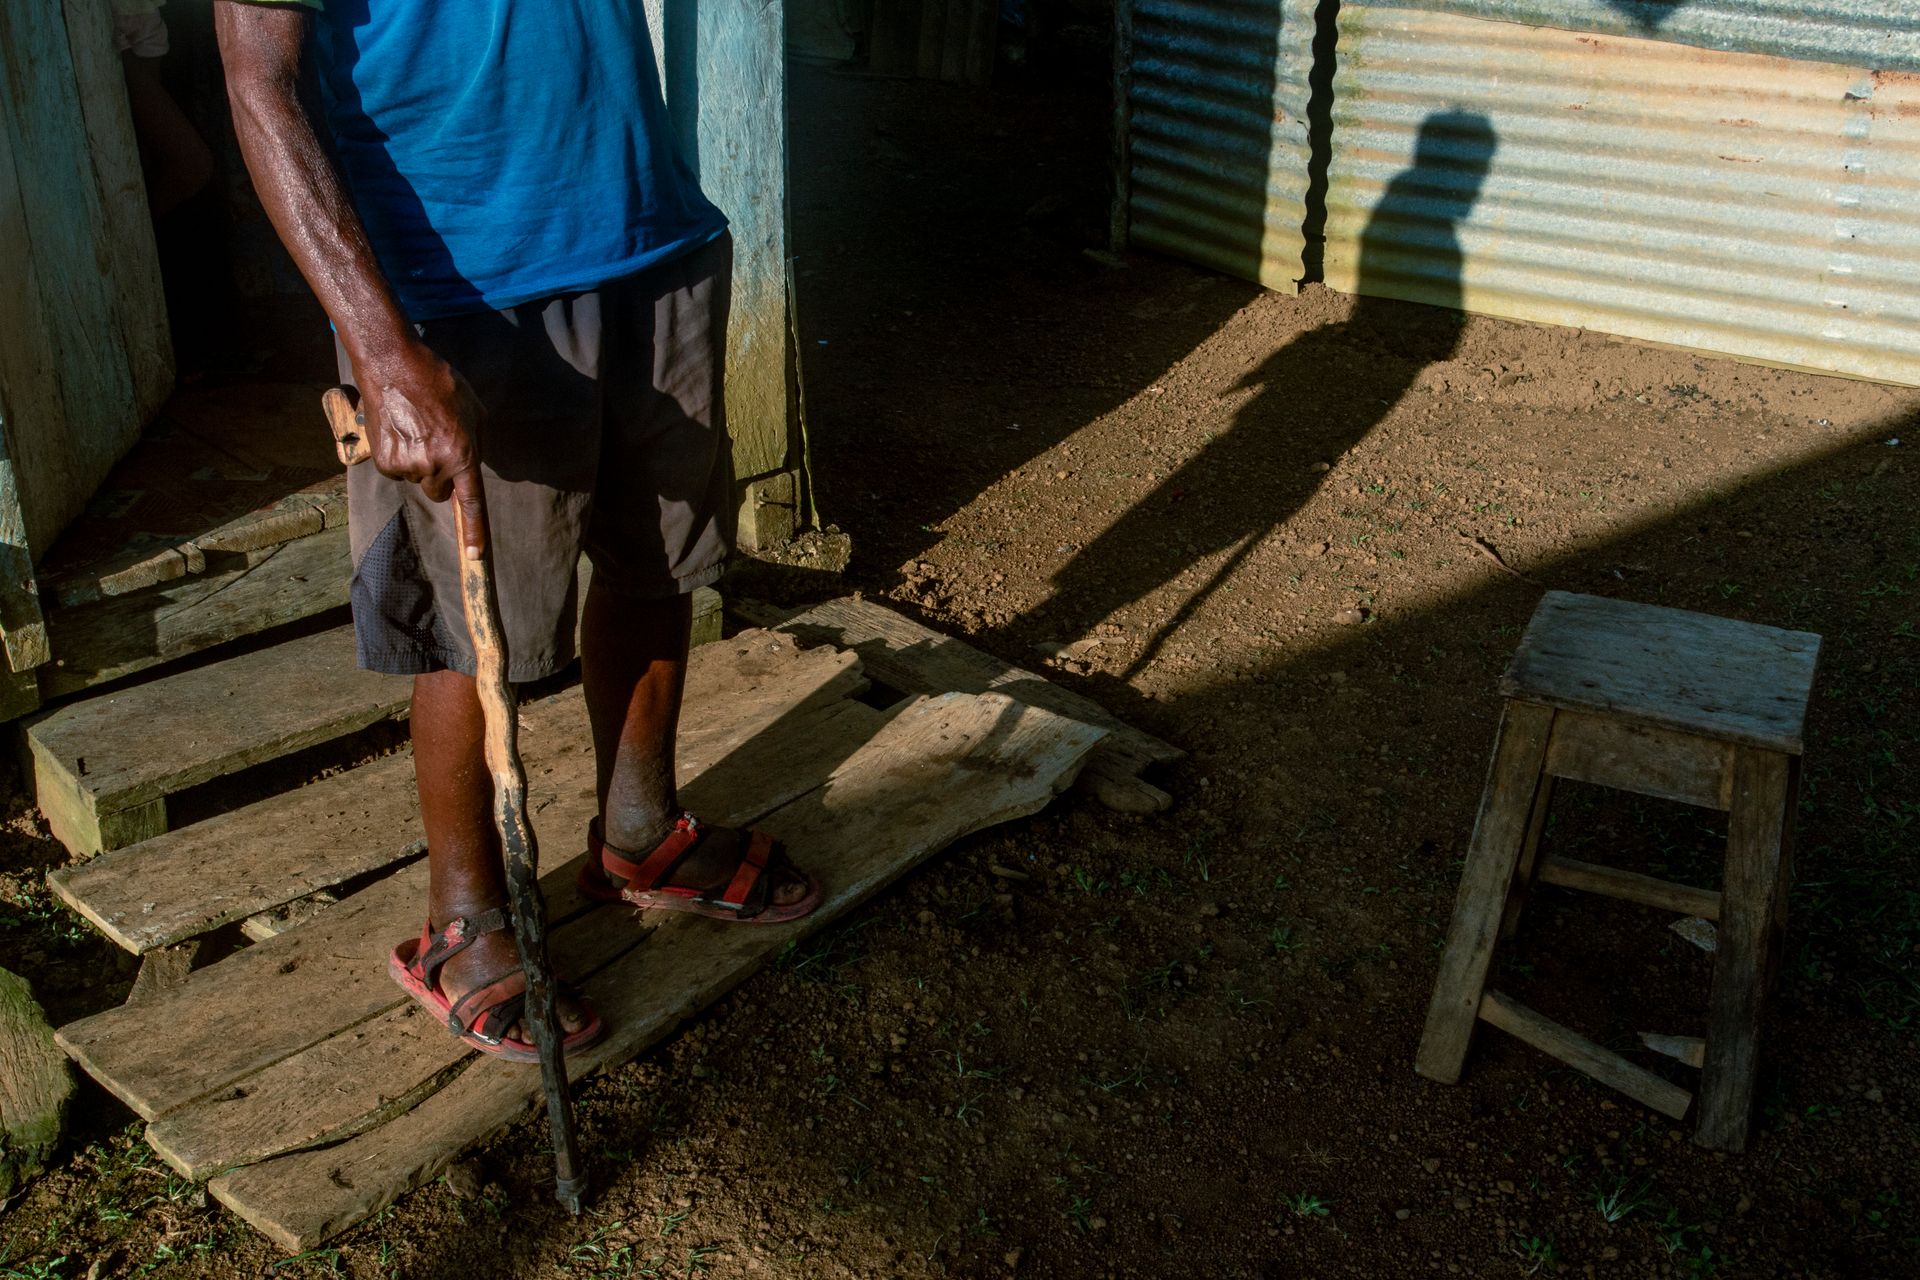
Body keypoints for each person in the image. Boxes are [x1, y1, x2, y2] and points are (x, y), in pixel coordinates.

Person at [214, 0, 821, 1062]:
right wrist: (380, 346)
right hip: (455, 291)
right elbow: (257, 78)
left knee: (657, 558)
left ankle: (640, 834)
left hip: (647, 233)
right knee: (474, 621)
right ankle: (465, 918)